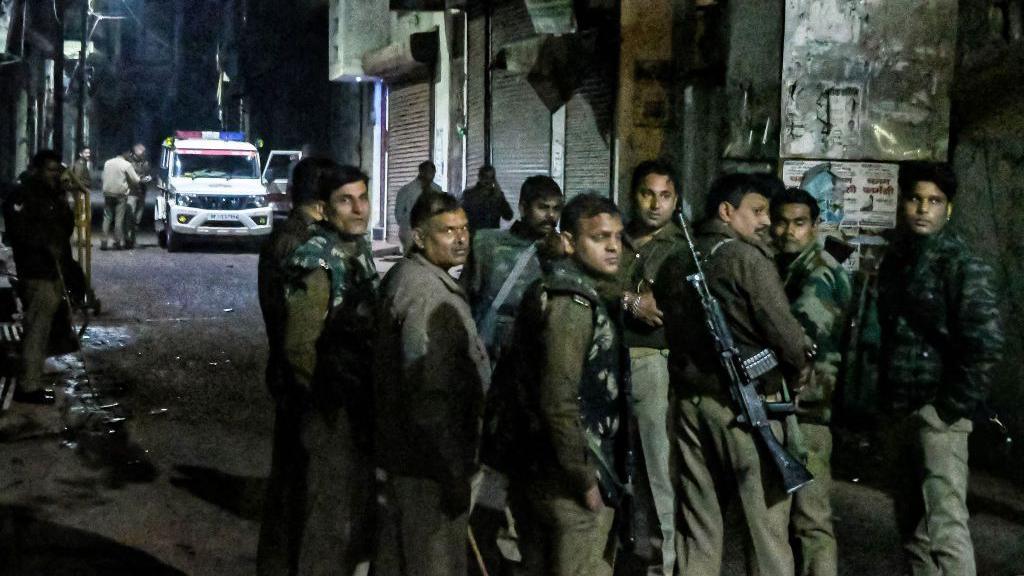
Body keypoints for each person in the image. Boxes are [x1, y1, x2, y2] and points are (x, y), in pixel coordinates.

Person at [664, 173, 809, 576]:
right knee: (766, 533)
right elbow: (787, 337)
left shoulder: (676, 260)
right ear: (727, 212)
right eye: (757, 211)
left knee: (698, 530)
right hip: (746, 408)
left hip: (689, 405)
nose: (766, 222)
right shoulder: (746, 259)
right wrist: (797, 370)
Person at [876, 162, 1003, 576]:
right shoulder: (897, 260)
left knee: (946, 528)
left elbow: (985, 345)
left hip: (939, 416)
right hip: (900, 410)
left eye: (934, 201)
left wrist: (949, 408)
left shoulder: (962, 264)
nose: (922, 209)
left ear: (948, 208)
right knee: (912, 529)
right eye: (914, 198)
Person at [502, 193, 627, 575]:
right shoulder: (571, 304)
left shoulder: (552, 288)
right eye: (599, 237)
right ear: (570, 242)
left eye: (617, 237)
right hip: (568, 473)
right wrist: (585, 479)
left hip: (541, 463)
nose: (612, 247)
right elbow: (558, 399)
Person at [374, 191, 490, 576]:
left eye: (464, 229)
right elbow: (429, 395)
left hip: (411, 461)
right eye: (447, 231)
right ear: (420, 238)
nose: (460, 239)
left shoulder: (415, 277)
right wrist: (452, 473)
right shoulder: (426, 295)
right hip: (427, 468)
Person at [280, 163, 379, 575]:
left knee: (356, 519)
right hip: (333, 413)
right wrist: (326, 407)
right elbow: (300, 348)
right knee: (328, 527)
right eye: (346, 200)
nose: (359, 209)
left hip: (359, 409)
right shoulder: (316, 258)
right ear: (324, 208)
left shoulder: (359, 251)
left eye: (363, 198)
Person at [255, 156, 333, 575]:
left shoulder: (290, 237)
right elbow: (298, 335)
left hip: (293, 378)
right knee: (296, 491)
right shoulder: (302, 245)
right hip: (303, 383)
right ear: (323, 201)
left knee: (292, 486)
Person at [771, 188, 852, 576]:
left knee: (811, 520)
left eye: (799, 223)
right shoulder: (787, 266)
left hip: (809, 413)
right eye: (782, 222)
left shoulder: (819, 273)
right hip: (794, 407)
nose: (788, 231)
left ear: (815, 225)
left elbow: (798, 341)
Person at [616, 159, 687, 576]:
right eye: (647, 194)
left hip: (654, 362)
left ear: (676, 200)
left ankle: (663, 561)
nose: (655, 204)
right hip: (611, 360)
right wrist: (628, 300)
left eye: (665, 196)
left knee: (656, 466)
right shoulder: (616, 238)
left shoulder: (682, 248)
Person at [461, 174, 564, 364]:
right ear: (523, 208)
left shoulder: (562, 253)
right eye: (542, 207)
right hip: (491, 355)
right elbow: (464, 298)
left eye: (556, 209)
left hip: (538, 358)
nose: (551, 216)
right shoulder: (487, 244)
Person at [1, 150, 75, 405]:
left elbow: (66, 226)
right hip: (35, 269)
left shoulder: (51, 194)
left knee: (43, 329)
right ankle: (28, 386)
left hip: (52, 269)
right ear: (36, 169)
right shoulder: (22, 193)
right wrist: (44, 245)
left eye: (57, 170)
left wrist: (62, 197)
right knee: (36, 328)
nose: (54, 175)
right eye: (50, 170)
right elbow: (19, 231)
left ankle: (33, 379)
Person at [394, 161, 442, 252]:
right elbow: (398, 214)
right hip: (411, 231)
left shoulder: (437, 190)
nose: (431, 175)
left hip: (431, 232)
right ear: (421, 172)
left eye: (433, 172)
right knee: (412, 259)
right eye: (428, 171)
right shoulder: (407, 190)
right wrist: (407, 227)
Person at [100, 150, 141, 250]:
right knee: (119, 219)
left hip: (108, 193)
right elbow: (136, 179)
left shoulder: (107, 162)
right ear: (125, 153)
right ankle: (117, 242)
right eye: (129, 153)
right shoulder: (126, 164)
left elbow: (103, 177)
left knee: (107, 217)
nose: (130, 155)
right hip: (120, 195)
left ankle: (104, 242)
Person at [461, 165, 513, 234]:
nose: (488, 181)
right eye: (485, 177)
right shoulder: (469, 194)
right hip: (474, 236)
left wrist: (500, 199)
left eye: (491, 178)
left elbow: (508, 216)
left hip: (491, 237)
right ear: (480, 177)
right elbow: (463, 217)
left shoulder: (497, 195)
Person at [124, 143, 154, 250]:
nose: (144, 154)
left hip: (142, 192)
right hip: (131, 193)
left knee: (137, 219)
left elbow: (148, 174)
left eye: (144, 152)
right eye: (142, 152)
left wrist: (148, 179)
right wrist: (139, 179)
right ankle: (127, 240)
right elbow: (127, 177)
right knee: (129, 217)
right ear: (136, 152)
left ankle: (133, 239)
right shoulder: (128, 163)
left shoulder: (145, 163)